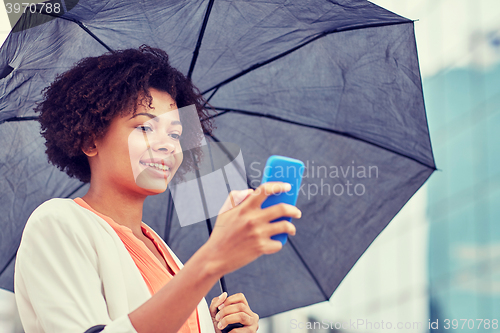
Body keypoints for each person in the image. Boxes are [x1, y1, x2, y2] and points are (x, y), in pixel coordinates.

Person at [13, 45, 302, 333]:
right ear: (90, 140)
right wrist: (210, 259)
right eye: (144, 128)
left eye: (175, 133)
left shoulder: (165, 253)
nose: (167, 144)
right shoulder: (57, 222)